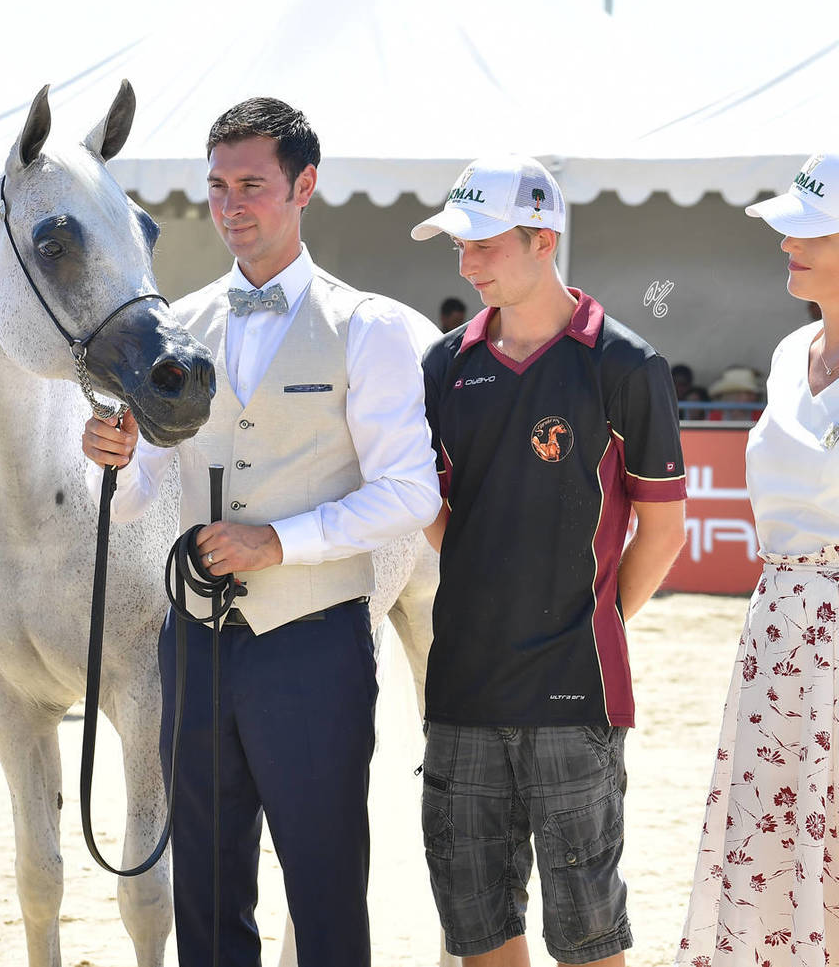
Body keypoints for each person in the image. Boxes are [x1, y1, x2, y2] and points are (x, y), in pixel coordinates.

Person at [81, 97, 440, 967]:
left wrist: (281, 542)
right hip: (195, 643)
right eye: (216, 187)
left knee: (323, 891)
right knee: (204, 893)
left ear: (304, 185)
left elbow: (410, 494)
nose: (231, 205)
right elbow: (142, 501)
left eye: (252, 184)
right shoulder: (175, 328)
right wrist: (120, 458)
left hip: (313, 646)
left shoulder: (371, 327)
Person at [412, 155, 687, 967]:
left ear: (543, 236)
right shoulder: (442, 366)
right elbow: (437, 519)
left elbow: (662, 533)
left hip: (576, 695)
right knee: (480, 928)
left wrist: (586, 618)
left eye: (482, 245)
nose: (464, 263)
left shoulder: (625, 364)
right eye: (457, 246)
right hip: (460, 686)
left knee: (587, 933)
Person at [677, 151, 839, 964]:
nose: (786, 241)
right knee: (773, 859)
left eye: (809, 228)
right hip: (776, 639)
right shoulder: (784, 354)